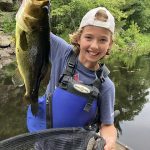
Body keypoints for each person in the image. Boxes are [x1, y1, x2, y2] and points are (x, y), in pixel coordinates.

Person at [27, 7, 117, 150]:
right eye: (88, 37)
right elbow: (35, 25)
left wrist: (110, 140)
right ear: (78, 38)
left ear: (109, 44)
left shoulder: (106, 86)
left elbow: (107, 125)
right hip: (43, 144)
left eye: (103, 40)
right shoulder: (62, 53)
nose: (94, 46)